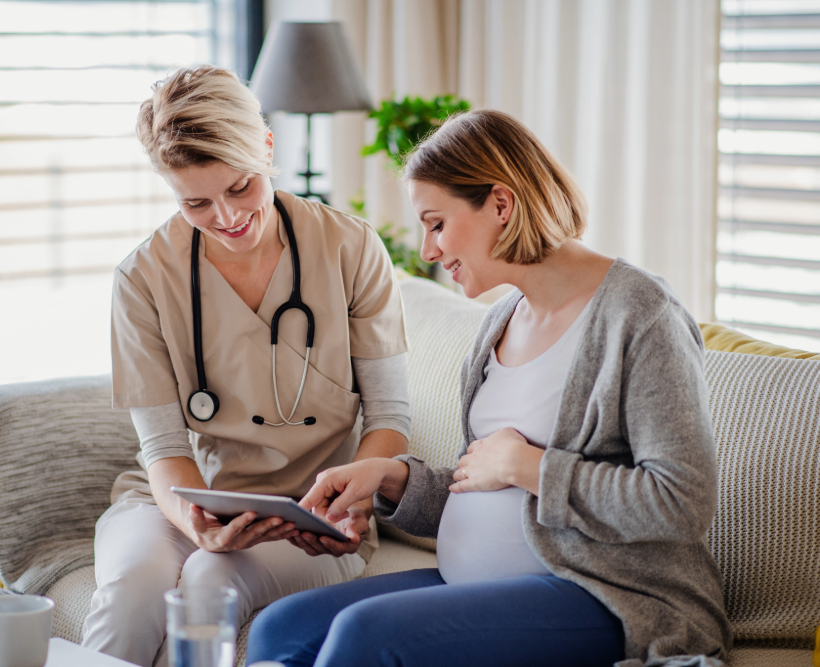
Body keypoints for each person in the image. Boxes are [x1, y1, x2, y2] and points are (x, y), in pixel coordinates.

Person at [246, 109, 732, 667]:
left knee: (369, 635)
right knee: (279, 630)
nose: (427, 251)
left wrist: (528, 467)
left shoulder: (640, 315)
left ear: (501, 204)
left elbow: (681, 504)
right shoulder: (500, 320)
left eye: (436, 223)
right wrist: (391, 479)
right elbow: (478, 480)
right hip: (473, 585)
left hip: (605, 595)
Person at [80, 65, 411, 667]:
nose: (227, 217)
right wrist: (193, 516)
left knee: (211, 579)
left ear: (267, 149)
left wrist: (350, 500)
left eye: (240, 188)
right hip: (179, 500)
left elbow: (390, 417)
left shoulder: (351, 248)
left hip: (311, 511)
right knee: (132, 590)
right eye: (196, 202)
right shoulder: (143, 278)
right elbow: (162, 448)